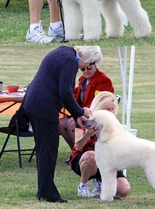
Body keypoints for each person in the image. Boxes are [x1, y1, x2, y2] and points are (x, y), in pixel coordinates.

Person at [22, 46, 89, 203]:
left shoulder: (63, 51)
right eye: (87, 65)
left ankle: (44, 191)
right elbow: (65, 92)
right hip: (43, 107)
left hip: (35, 104)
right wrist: (79, 112)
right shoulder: (70, 60)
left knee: (44, 150)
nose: (84, 69)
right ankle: (48, 194)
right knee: (49, 150)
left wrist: (76, 113)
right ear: (85, 58)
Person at [69, 91, 130, 198]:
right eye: (107, 109)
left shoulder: (113, 122)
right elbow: (77, 146)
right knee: (91, 156)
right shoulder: (84, 119)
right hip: (84, 159)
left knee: (124, 190)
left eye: (112, 109)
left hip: (107, 160)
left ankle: (100, 182)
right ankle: (83, 185)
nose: (110, 112)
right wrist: (87, 134)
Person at [59, 46, 114, 148]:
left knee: (71, 124)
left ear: (95, 65)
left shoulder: (103, 80)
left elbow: (99, 104)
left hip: (95, 117)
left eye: (88, 68)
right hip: (82, 113)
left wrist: (79, 114)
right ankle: (75, 151)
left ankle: (78, 153)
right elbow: (75, 95)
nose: (85, 71)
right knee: (60, 124)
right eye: (82, 69)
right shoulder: (82, 80)